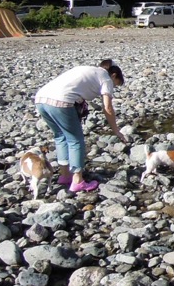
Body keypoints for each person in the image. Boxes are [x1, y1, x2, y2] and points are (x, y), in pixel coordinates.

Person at [34, 59, 128, 192]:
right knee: (75, 140)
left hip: (40, 99)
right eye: (116, 85)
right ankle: (78, 181)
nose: (114, 88)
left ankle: (65, 176)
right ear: (113, 75)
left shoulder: (86, 69)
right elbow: (107, 107)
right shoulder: (106, 78)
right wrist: (116, 130)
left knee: (60, 137)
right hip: (61, 101)